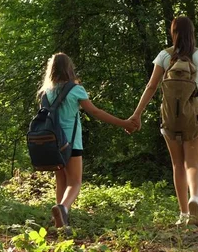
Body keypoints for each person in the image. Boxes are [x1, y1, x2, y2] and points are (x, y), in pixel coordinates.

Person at [129, 16, 198, 227]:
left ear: (173, 32)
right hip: (196, 118)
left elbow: (151, 87)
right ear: (192, 32)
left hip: (170, 119)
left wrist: (137, 113)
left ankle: (184, 213)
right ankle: (195, 198)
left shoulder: (164, 57)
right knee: (194, 164)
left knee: (177, 165)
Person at [38, 52, 137, 228]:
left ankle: (59, 221)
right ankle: (63, 208)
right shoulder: (76, 90)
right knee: (75, 182)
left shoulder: (46, 92)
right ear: (69, 68)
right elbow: (96, 112)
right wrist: (123, 123)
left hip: (51, 143)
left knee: (61, 180)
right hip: (71, 143)